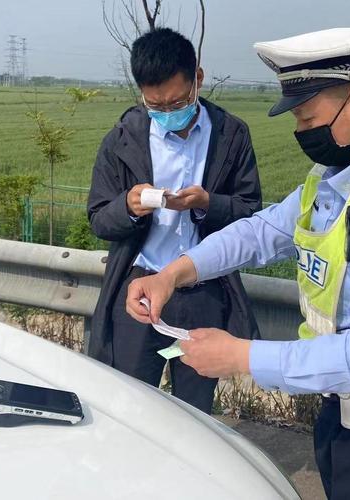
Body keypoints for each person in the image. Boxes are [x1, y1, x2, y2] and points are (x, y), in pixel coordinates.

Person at [124, 26, 350, 500]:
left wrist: (240, 356)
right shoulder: (339, 175)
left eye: (307, 117)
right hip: (345, 412)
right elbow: (264, 231)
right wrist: (174, 273)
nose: (301, 132)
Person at [86, 27, 262, 414]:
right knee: (130, 403)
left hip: (203, 290)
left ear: (197, 79)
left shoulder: (231, 135)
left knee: (195, 409)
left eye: (177, 102)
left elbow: (251, 212)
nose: (168, 112)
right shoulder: (122, 139)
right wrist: (129, 207)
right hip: (139, 290)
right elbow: (99, 218)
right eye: (156, 106)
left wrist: (207, 204)